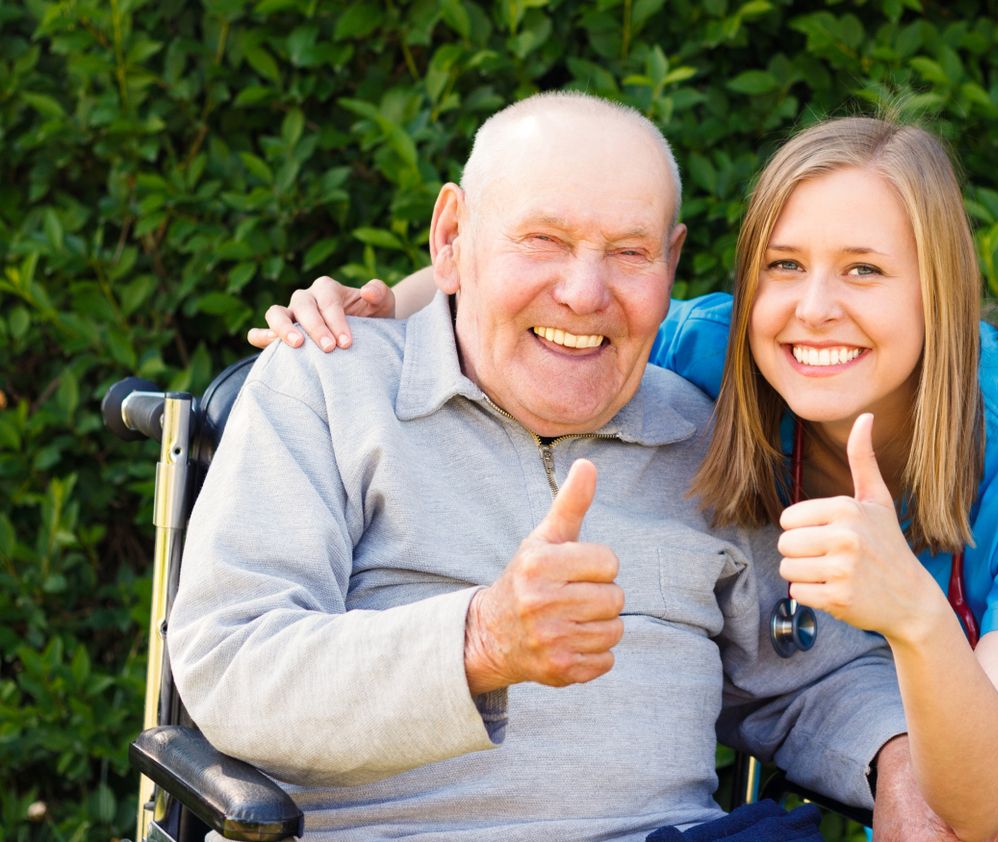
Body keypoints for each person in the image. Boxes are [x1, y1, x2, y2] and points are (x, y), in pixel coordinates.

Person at [259, 115, 998, 841]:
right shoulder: (713, 350)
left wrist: (917, 617)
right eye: (784, 265)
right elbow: (565, 279)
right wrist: (387, 298)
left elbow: (985, 792)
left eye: (866, 269)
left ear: (943, 289)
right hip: (898, 628)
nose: (812, 307)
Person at [168, 93, 918, 841]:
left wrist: (897, 764)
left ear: (672, 261)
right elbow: (229, 664)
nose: (584, 293)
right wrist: (479, 643)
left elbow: (809, 678)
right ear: (451, 237)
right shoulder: (328, 386)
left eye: (629, 252)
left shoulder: (703, 434)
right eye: (544, 240)